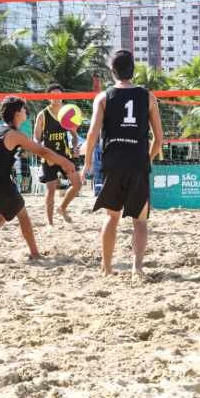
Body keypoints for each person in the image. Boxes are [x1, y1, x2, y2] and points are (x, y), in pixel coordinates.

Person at [83, 49, 163, 278]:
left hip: (113, 162)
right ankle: (137, 268)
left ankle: (107, 267)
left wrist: (87, 162)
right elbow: (159, 139)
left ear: (112, 71)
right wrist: (147, 158)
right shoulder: (148, 96)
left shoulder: (103, 97)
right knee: (140, 220)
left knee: (112, 217)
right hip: (137, 161)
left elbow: (92, 134)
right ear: (133, 70)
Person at [0, 96, 76, 262]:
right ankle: (35, 253)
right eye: (23, 109)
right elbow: (42, 151)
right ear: (16, 113)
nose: (25, 111)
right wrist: (65, 161)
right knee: (23, 215)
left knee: (0, 216)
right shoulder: (15, 135)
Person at [33, 83, 82, 225]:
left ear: (63, 97)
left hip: (65, 155)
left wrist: (75, 147)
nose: (56, 98)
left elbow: (74, 136)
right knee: (51, 191)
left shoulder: (67, 112)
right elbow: (36, 138)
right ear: (48, 97)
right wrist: (41, 150)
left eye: (59, 95)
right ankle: (50, 223)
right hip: (49, 155)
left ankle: (62, 208)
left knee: (77, 184)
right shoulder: (43, 115)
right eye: (53, 96)